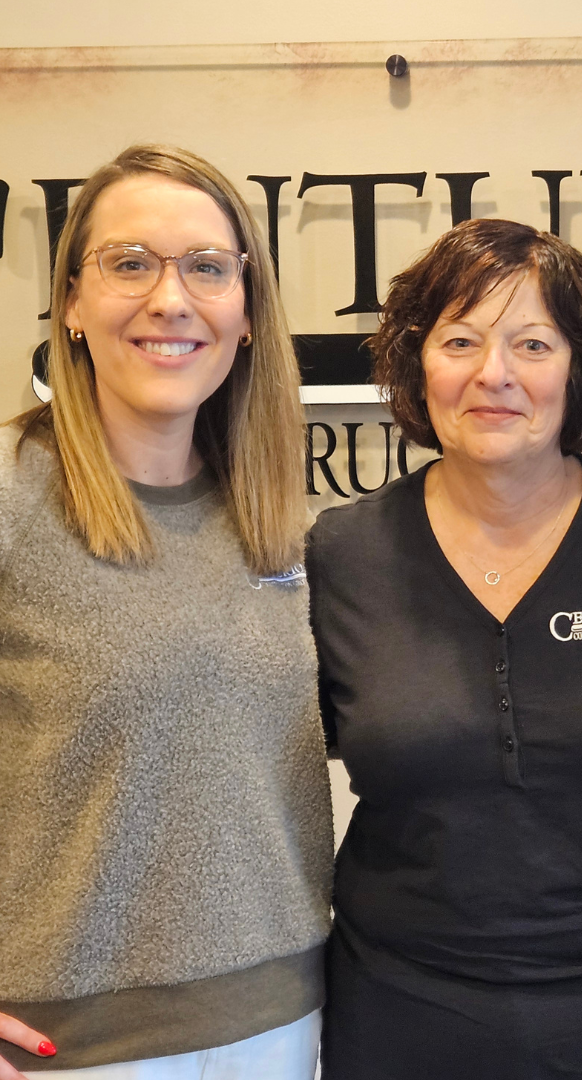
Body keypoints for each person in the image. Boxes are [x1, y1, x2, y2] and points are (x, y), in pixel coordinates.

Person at [307, 218, 582, 1080]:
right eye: (460, 341)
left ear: (577, 367)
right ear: (417, 364)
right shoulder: (344, 555)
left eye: (533, 343)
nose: (494, 373)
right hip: (404, 1025)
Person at [0, 145, 333, 1078]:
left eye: (207, 268)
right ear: (70, 302)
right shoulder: (11, 495)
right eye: (130, 263)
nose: (171, 300)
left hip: (283, 1026)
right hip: (70, 1049)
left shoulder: (275, 520)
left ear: (248, 314)